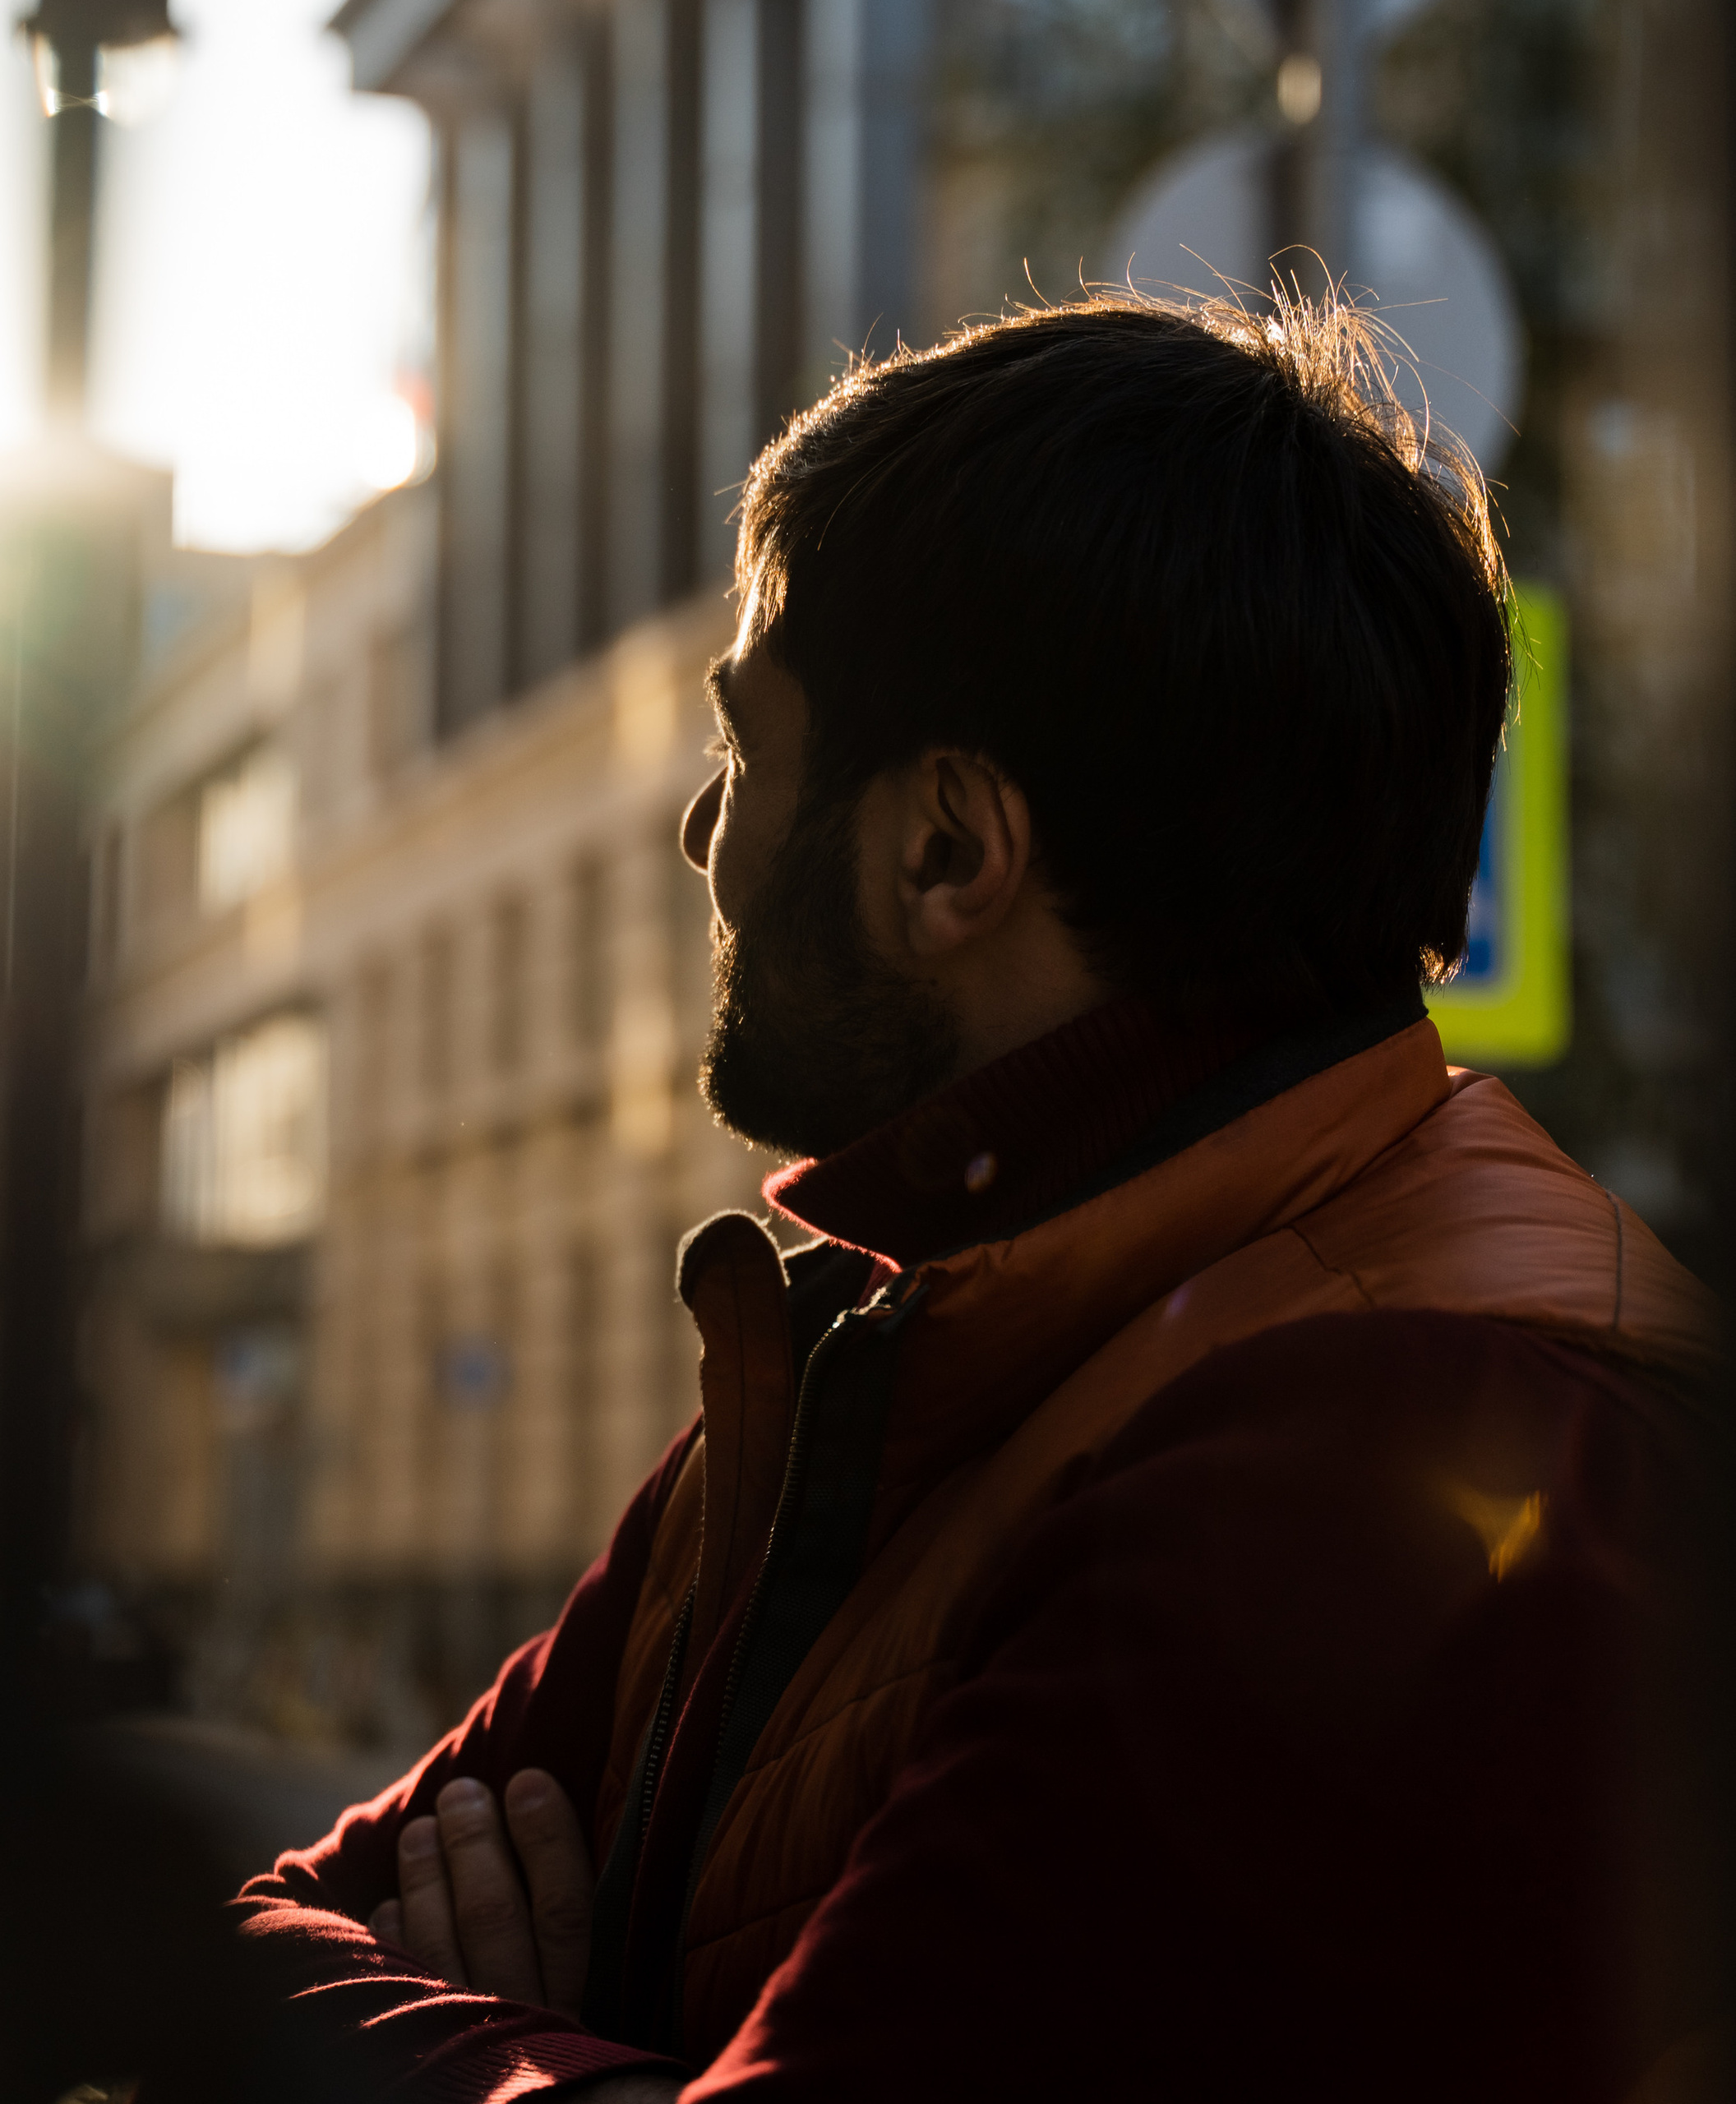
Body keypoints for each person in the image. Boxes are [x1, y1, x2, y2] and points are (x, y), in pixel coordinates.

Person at [193, 297, 1726, 2101]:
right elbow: (253, 1941)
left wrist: (534, 2047)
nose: (704, 836)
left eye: (744, 750)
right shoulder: (881, 1345)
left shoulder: (1412, 1439)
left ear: (943, 852)